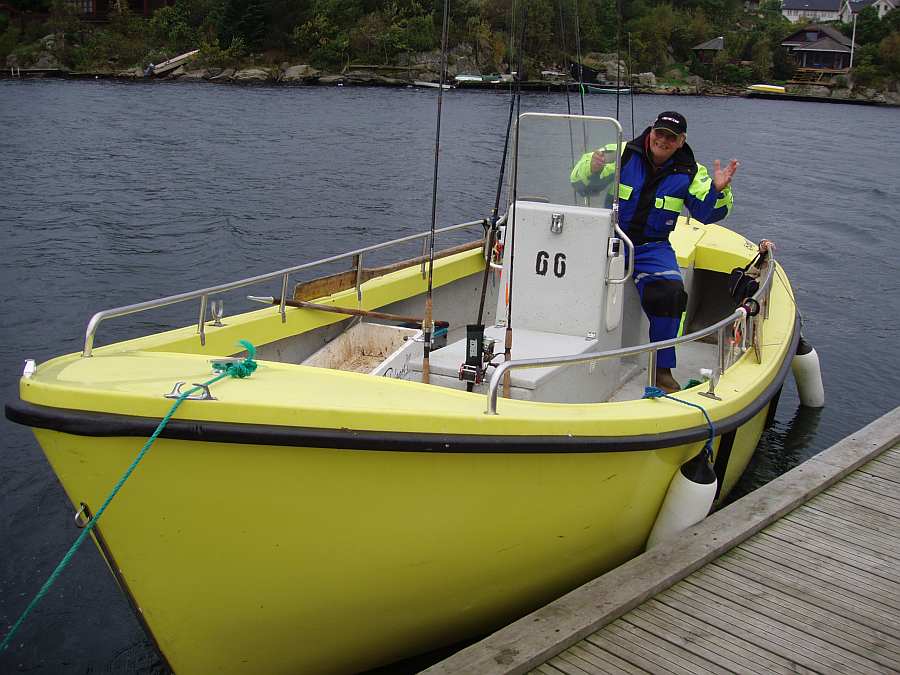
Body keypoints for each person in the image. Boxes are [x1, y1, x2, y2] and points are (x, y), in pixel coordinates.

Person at [570, 111, 739, 393]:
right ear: (651, 131)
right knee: (573, 283)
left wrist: (719, 191)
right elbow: (580, 183)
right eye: (659, 133)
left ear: (681, 141)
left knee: (671, 295)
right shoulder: (621, 152)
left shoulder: (691, 171)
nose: (662, 140)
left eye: (670, 137)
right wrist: (594, 168)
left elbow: (708, 213)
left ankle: (661, 369)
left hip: (652, 247)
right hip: (608, 239)